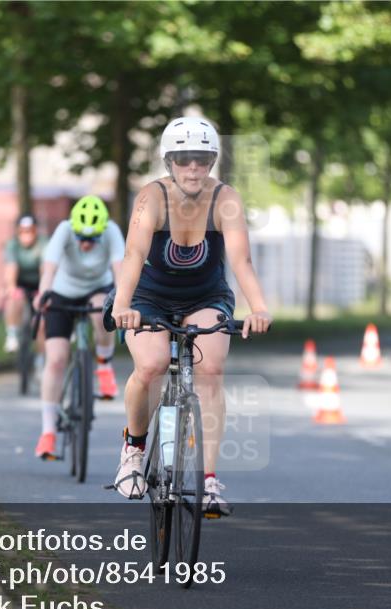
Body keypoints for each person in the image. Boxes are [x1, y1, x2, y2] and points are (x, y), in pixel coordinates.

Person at [106, 116, 272, 516]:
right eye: (184, 159)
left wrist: (259, 307)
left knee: (211, 368)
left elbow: (241, 260)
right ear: (170, 162)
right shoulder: (151, 198)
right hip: (148, 296)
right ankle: (133, 448)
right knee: (152, 363)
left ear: (212, 161)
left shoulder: (225, 200)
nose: (193, 167)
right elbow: (133, 255)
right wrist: (122, 306)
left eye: (201, 158)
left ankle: (209, 482)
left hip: (205, 295)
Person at [33, 196, 125, 460]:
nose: (86, 244)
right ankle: (48, 432)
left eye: (92, 240)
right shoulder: (63, 230)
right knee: (57, 359)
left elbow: (120, 271)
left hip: (98, 288)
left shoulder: (112, 231)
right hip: (63, 291)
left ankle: (104, 366)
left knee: (102, 310)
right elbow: (49, 269)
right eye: (81, 238)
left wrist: (122, 301)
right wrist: (43, 294)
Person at [2, 214, 46, 353]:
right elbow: (11, 269)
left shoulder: (43, 244)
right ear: (17, 232)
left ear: (35, 231)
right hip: (21, 283)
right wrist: (11, 287)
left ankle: (41, 358)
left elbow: (44, 269)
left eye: (30, 231)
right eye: (22, 231)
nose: (26, 235)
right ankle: (12, 335)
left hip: (40, 283)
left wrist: (43, 291)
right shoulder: (12, 245)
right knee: (14, 297)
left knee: (41, 323)